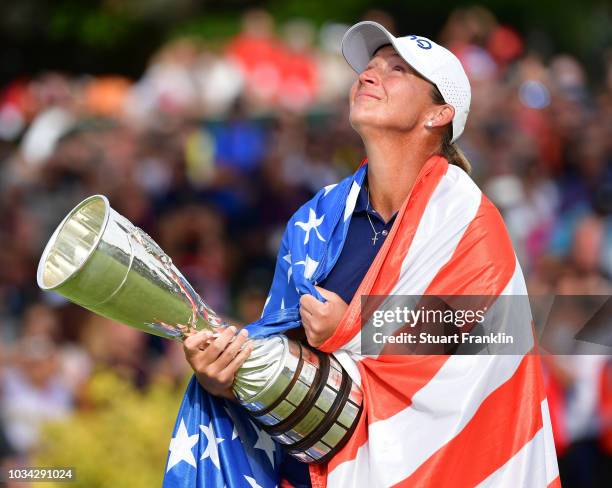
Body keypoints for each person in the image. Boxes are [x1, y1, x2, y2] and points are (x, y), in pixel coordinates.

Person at [180, 21, 559, 487]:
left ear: (438, 113)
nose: (368, 76)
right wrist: (229, 374)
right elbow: (281, 353)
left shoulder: (466, 218)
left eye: (396, 70)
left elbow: (493, 332)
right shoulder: (315, 218)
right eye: (369, 67)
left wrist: (355, 325)